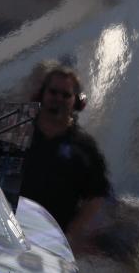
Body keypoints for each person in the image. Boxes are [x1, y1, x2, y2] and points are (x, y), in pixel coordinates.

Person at [18, 65, 111, 240]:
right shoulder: (13, 128)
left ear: (77, 102)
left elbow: (97, 196)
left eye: (66, 95)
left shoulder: (84, 148)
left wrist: (72, 235)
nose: (58, 99)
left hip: (51, 242)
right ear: (41, 95)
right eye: (53, 92)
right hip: (5, 230)